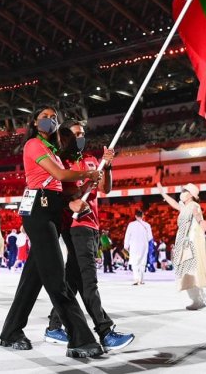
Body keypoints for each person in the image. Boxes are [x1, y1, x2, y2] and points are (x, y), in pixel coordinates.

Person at [0, 105, 104, 358]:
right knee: (56, 277)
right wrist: (87, 171)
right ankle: (80, 338)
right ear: (34, 123)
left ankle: (10, 332)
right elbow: (58, 174)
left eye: (53, 117)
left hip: (51, 210)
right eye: (44, 117)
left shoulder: (53, 151)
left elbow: (64, 189)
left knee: (33, 278)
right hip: (38, 209)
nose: (50, 120)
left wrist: (88, 182)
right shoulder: (34, 144)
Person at [45, 122, 134, 351]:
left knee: (73, 281)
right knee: (88, 280)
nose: (81, 137)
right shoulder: (62, 163)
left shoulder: (93, 160)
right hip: (76, 225)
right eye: (76, 134)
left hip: (92, 224)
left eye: (83, 134)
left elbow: (106, 189)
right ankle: (104, 330)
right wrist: (82, 185)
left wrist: (108, 168)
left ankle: (54, 327)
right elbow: (61, 193)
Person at [158, 181, 206, 310]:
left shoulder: (194, 205)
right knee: (187, 270)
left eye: (185, 191)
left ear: (191, 194)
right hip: (183, 240)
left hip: (190, 242)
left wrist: (201, 222)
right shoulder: (185, 207)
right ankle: (199, 298)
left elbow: (197, 215)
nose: (182, 194)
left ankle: (198, 299)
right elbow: (174, 203)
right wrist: (163, 193)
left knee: (189, 270)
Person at [124, 210, 153, 285]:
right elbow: (150, 237)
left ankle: (136, 279)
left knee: (134, 262)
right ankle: (141, 279)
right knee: (142, 262)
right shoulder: (147, 225)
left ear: (135, 216)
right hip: (144, 245)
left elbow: (127, 236)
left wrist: (126, 246)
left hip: (134, 246)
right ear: (143, 216)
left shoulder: (131, 224)